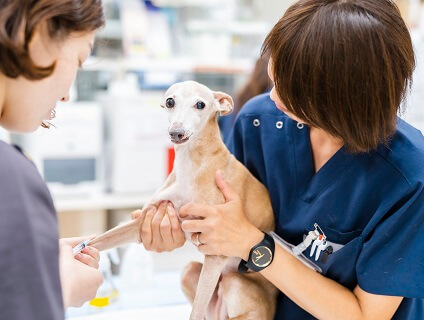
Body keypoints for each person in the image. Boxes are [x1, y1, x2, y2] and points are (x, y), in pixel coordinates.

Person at [138, 0, 424, 319]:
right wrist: (173, 228)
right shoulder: (258, 123)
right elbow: (218, 227)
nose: (273, 96)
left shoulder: (408, 176)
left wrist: (253, 244)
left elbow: (366, 315)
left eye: (291, 89)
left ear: (345, 97)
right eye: (275, 77)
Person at [0, 1, 105, 319]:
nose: (66, 95)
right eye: (79, 60)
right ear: (38, 30)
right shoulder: (10, 177)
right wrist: (58, 287)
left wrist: (28, 263)